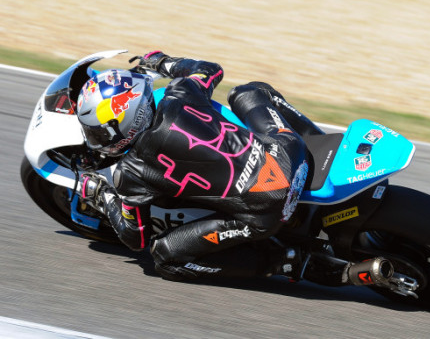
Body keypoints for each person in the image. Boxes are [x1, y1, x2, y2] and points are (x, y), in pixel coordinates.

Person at [75, 51, 361, 284]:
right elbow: (210, 69)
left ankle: (285, 262)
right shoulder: (181, 91)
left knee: (164, 257)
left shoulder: (130, 174)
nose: (96, 139)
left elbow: (135, 237)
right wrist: (164, 63)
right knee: (248, 92)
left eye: (100, 132)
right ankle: (317, 143)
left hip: (266, 211)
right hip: (289, 152)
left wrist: (104, 197)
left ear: (126, 124)